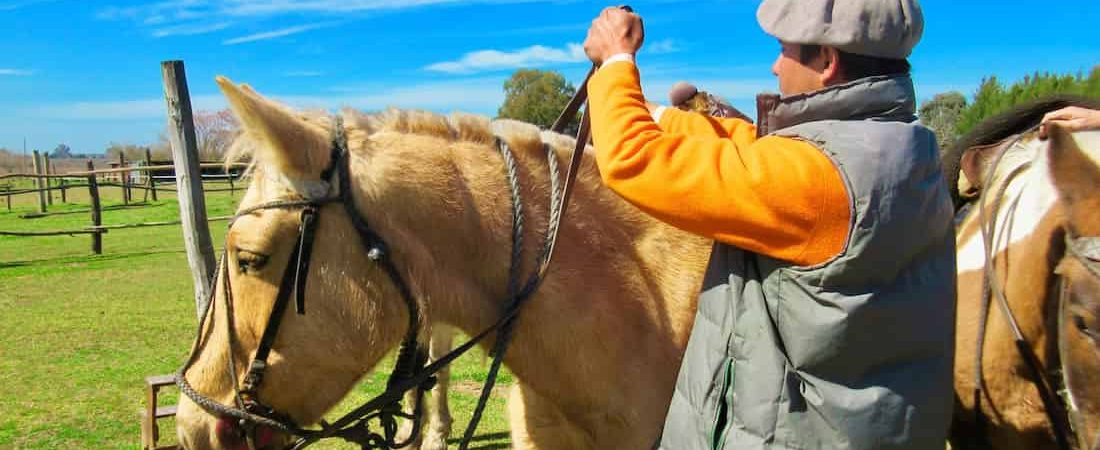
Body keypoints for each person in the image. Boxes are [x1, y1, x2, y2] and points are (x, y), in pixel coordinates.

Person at [582, 1, 956, 449]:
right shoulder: (904, 151)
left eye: (784, 50)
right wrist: (657, 115)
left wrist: (615, 61)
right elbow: (760, 154)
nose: (775, 66)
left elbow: (633, 160)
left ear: (827, 61)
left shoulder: (818, 179)